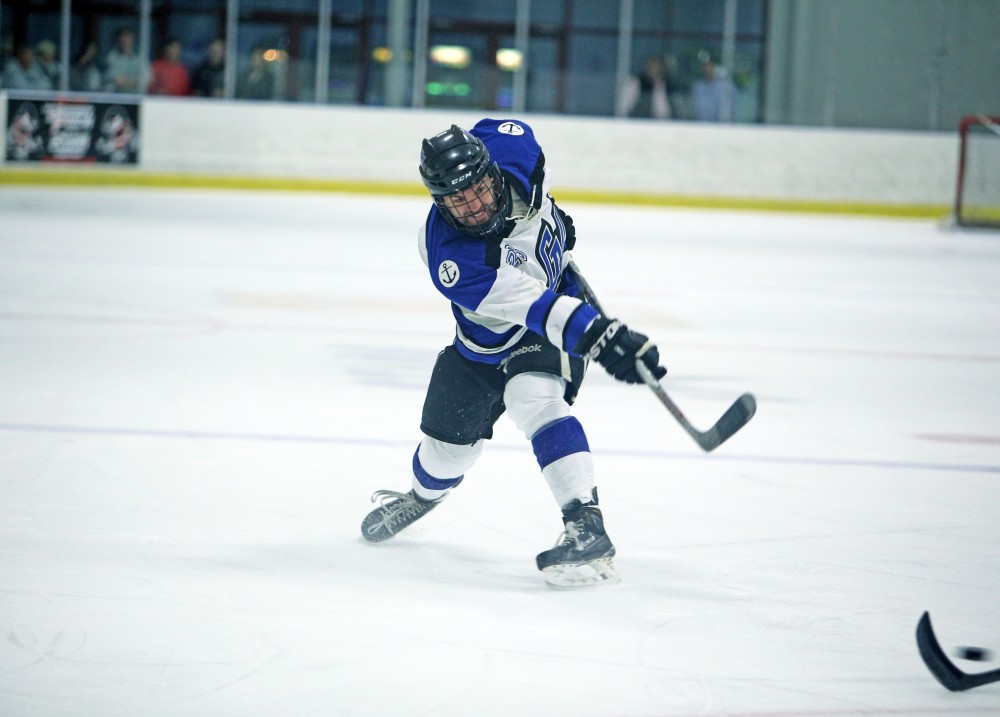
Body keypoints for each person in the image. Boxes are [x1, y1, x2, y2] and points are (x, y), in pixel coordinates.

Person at [360, 119, 667, 587]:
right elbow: (532, 305)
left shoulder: (514, 147)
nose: (474, 207)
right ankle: (420, 497)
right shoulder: (453, 259)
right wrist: (605, 337)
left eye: (478, 190)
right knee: (445, 456)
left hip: (543, 337)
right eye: (456, 201)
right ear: (439, 202)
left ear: (490, 170)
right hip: (487, 345)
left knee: (535, 398)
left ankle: (586, 523)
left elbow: (526, 169)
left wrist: (557, 223)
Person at [622, 55, 674, 119]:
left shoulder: (668, 85)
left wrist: (659, 87)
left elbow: (664, 111)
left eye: (657, 68)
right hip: (639, 121)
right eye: (652, 67)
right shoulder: (636, 82)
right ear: (647, 68)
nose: (654, 70)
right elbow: (625, 106)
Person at [691, 53, 737, 122]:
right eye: (705, 66)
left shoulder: (726, 87)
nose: (708, 69)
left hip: (720, 128)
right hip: (699, 127)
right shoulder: (698, 87)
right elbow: (695, 109)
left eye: (710, 66)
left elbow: (730, 110)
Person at [103, 27, 141, 93]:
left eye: (129, 38)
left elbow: (149, 80)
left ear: (133, 40)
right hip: (116, 99)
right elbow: (118, 81)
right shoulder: (112, 57)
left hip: (136, 98)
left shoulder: (139, 57)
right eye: (124, 38)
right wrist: (138, 81)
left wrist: (127, 81)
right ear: (118, 40)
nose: (126, 41)